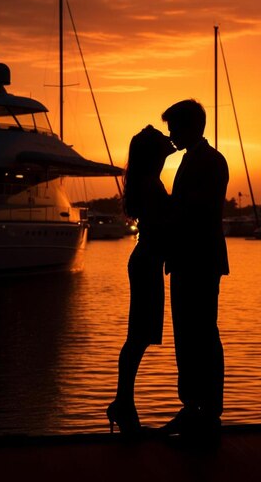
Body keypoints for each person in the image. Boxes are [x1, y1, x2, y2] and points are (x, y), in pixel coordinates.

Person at [160, 99, 229, 439]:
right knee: (186, 336)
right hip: (187, 259)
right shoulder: (191, 160)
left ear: (191, 127)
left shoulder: (211, 162)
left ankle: (208, 412)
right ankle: (192, 407)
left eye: (174, 127)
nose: (171, 134)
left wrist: (167, 211)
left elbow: (195, 210)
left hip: (200, 260)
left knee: (202, 334)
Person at [106, 125, 175, 435]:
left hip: (146, 259)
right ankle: (123, 403)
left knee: (139, 336)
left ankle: (124, 402)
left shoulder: (147, 180)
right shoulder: (150, 184)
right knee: (138, 337)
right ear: (153, 155)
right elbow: (164, 225)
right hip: (147, 261)